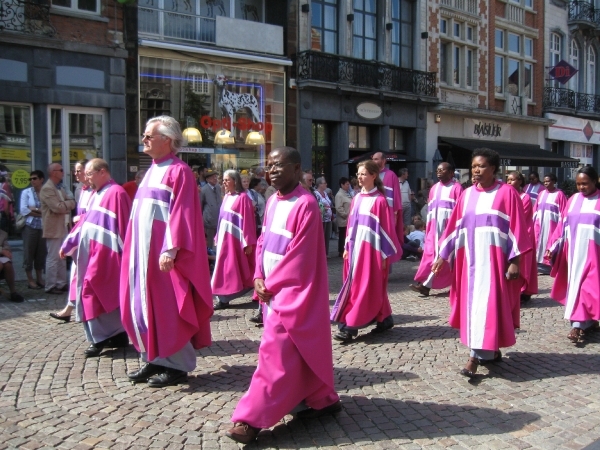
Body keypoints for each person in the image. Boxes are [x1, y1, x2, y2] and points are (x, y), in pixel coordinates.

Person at [226, 147, 340, 444]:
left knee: (274, 353)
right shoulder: (272, 200)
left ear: (297, 168)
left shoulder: (306, 204)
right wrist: (258, 275)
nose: (272, 170)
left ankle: (251, 419)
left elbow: (300, 255)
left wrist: (271, 282)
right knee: (295, 351)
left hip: (293, 290)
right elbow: (264, 240)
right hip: (271, 288)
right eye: (269, 165)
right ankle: (322, 398)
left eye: (279, 165)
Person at [121, 115, 213, 388]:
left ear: (168, 140)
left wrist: (170, 250)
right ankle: (154, 357)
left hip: (163, 255)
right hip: (141, 252)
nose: (144, 140)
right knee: (145, 305)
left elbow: (182, 213)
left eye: (149, 136)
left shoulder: (179, 170)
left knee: (169, 306)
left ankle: (176, 366)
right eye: (145, 135)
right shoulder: (151, 169)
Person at [432, 148, 531, 378]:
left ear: (493, 168)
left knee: (491, 306)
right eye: (473, 166)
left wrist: (514, 261)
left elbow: (517, 229)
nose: (476, 170)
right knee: (473, 308)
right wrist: (443, 254)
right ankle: (479, 353)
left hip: (495, 262)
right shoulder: (466, 195)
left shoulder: (507, 194)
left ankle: (477, 356)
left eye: (481, 166)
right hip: (469, 263)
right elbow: (454, 227)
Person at [60, 159, 131, 357]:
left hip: (109, 254)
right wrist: (70, 243)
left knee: (97, 292)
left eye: (89, 173)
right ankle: (113, 335)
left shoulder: (117, 192)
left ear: (102, 172)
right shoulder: (94, 193)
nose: (86, 177)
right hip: (92, 252)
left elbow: (125, 225)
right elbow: (86, 222)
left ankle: (101, 338)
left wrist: (127, 255)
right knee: (92, 291)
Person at [330, 160, 400, 343]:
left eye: (363, 174)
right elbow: (351, 226)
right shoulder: (357, 199)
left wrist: (384, 255)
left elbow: (387, 231)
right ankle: (385, 318)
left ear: (373, 176)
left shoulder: (380, 201)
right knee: (359, 286)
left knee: (365, 286)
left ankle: (350, 326)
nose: (359, 177)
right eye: (358, 174)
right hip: (354, 251)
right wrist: (346, 247)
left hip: (372, 252)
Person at [547, 166, 600, 343]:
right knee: (578, 288)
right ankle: (578, 325)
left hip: (594, 253)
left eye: (585, 184)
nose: (581, 188)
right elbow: (563, 225)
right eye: (578, 184)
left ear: (595, 181)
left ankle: (585, 322)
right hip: (574, 252)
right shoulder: (573, 200)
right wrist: (553, 245)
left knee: (590, 288)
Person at [410, 162, 463, 297]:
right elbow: (430, 210)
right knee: (429, 255)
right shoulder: (433, 188)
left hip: (448, 228)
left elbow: (460, 211)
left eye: (442, 170)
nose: (438, 172)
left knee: (446, 256)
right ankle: (424, 281)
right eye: (437, 170)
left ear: (451, 173)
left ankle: (427, 285)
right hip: (433, 227)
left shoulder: (457, 188)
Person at [50, 160, 93, 322]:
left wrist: (79, 218)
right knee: (75, 273)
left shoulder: (94, 191)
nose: (76, 174)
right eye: (75, 171)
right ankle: (70, 307)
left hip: (87, 236)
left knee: (79, 274)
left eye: (79, 170)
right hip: (78, 233)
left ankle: (74, 308)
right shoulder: (81, 190)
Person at [212, 170, 256, 310]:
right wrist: (217, 236)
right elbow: (221, 219)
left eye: (226, 180)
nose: (223, 182)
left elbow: (248, 221)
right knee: (223, 268)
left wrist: (248, 242)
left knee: (235, 267)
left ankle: (226, 297)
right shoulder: (226, 197)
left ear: (235, 181)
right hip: (224, 240)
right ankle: (223, 296)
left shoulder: (243, 198)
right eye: (223, 180)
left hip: (236, 241)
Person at [40, 163, 76, 294]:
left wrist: (67, 204)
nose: (63, 172)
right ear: (53, 172)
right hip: (53, 227)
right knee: (53, 257)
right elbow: (57, 207)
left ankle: (61, 283)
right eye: (61, 170)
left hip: (64, 225)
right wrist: (68, 204)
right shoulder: (47, 188)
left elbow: (70, 201)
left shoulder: (59, 187)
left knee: (63, 255)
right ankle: (50, 285)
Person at [506, 171, 538, 304]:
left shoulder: (525, 197)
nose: (509, 182)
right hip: (508, 233)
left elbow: (519, 218)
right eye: (507, 180)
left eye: (512, 179)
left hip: (523, 233)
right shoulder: (507, 195)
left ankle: (522, 290)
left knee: (522, 263)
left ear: (520, 181)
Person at [533, 173, 567, 275]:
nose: (546, 183)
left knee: (550, 244)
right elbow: (535, 210)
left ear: (554, 182)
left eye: (548, 181)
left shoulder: (559, 194)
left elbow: (564, 211)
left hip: (553, 225)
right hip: (540, 224)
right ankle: (538, 265)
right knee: (538, 244)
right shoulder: (541, 194)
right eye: (544, 182)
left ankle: (550, 266)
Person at [19, 170, 47, 291]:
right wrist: (39, 211)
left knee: (41, 253)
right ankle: (30, 279)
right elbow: (24, 210)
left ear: (41, 179)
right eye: (31, 179)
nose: (32, 181)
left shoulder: (46, 192)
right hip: (30, 226)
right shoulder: (26, 192)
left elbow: (48, 209)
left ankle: (39, 278)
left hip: (43, 227)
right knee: (29, 252)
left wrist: (35, 210)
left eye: (34, 178)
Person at [372, 152, 403, 247]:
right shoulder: (371, 175)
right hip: (373, 212)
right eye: (373, 159)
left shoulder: (391, 175)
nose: (374, 161)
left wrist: (395, 214)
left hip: (387, 213)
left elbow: (396, 196)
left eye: (377, 159)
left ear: (384, 160)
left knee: (386, 241)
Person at [0, 229, 24, 302]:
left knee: (7, 265)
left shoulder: (3, 234)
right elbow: (4, 250)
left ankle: (13, 292)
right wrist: (1, 250)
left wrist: (3, 251)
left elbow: (7, 248)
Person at [201, 169, 221, 249]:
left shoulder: (218, 187)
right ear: (207, 179)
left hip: (218, 220)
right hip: (209, 221)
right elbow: (200, 206)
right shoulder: (204, 190)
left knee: (217, 242)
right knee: (209, 243)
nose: (215, 179)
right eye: (213, 177)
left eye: (216, 177)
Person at [315, 177, 333, 257]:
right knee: (321, 237)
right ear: (319, 184)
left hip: (328, 218)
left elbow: (329, 203)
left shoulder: (325, 193)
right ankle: (320, 254)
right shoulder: (316, 194)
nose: (326, 184)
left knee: (327, 236)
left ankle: (326, 253)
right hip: (321, 219)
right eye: (324, 183)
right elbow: (317, 205)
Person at [334, 177, 352, 258]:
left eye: (349, 184)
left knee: (346, 235)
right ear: (342, 185)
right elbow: (338, 208)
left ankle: (346, 249)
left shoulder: (347, 193)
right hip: (344, 220)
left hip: (349, 219)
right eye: (347, 184)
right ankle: (341, 250)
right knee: (342, 235)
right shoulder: (339, 195)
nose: (349, 185)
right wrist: (346, 215)